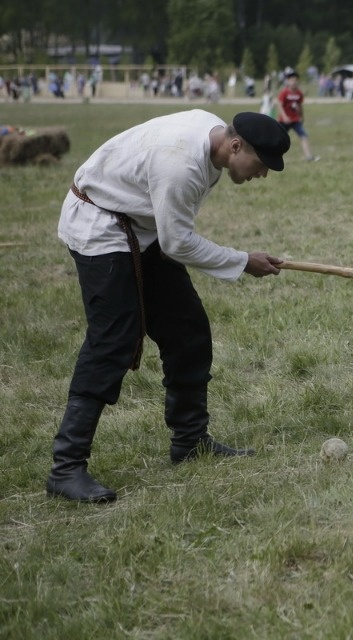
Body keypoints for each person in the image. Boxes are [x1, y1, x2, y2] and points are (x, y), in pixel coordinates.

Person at [49, 110, 291, 503]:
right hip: (99, 225)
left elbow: (170, 234)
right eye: (261, 165)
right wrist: (243, 260)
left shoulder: (211, 138)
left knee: (187, 328)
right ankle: (66, 468)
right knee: (113, 341)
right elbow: (177, 243)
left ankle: (190, 441)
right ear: (234, 146)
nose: (261, 175)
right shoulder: (180, 164)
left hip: (142, 230)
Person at [275, 70, 317, 161]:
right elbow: (279, 104)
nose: (294, 82)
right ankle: (272, 156)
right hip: (284, 121)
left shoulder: (299, 93)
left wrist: (302, 116)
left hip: (295, 120)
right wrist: (284, 116)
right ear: (288, 81)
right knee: (279, 139)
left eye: (295, 80)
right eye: (292, 80)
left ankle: (309, 156)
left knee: (304, 136)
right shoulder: (284, 92)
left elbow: (300, 106)